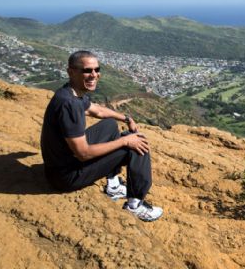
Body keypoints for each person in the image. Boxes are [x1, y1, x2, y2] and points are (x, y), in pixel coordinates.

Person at [40, 50, 163, 221]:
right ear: (71, 72)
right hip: (66, 177)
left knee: (110, 124)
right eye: (87, 70)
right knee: (136, 145)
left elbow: (97, 110)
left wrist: (126, 118)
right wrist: (125, 141)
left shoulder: (70, 92)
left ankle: (113, 185)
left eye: (96, 70)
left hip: (60, 164)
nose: (94, 75)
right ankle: (134, 205)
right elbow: (83, 154)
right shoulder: (69, 104)